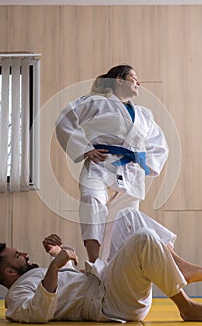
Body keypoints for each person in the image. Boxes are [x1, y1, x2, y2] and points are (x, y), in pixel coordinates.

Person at [56, 64, 169, 262]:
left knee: (125, 223)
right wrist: (84, 148)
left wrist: (146, 164)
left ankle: (116, 269)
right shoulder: (96, 102)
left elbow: (159, 143)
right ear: (119, 79)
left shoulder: (144, 114)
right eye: (134, 77)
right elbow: (65, 119)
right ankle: (94, 261)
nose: (139, 82)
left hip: (132, 173)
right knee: (92, 201)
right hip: (101, 165)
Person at [0, 229, 202, 323]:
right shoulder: (16, 295)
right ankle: (185, 305)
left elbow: (66, 280)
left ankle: (181, 268)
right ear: (9, 272)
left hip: (105, 281)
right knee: (144, 239)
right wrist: (54, 267)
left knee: (128, 216)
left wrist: (59, 254)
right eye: (18, 255)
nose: (25, 254)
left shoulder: (33, 276)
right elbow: (38, 312)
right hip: (110, 303)